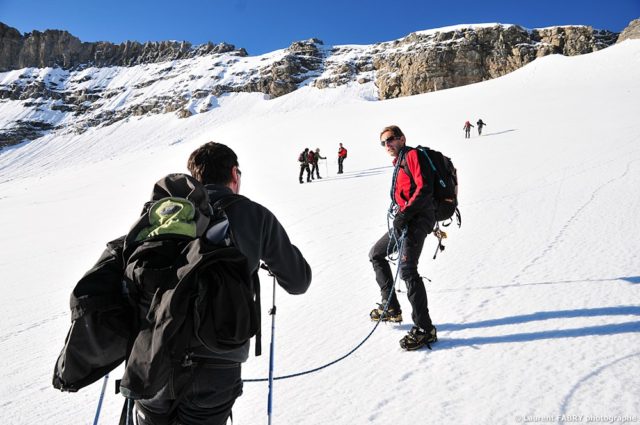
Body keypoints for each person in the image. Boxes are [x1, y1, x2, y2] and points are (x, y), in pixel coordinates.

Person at [136, 142, 312, 425]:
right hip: (217, 361)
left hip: (151, 356)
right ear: (234, 173)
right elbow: (298, 280)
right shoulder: (254, 215)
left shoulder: (166, 215)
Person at [369, 125, 437, 351]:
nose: (387, 145)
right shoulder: (398, 163)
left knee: (407, 270)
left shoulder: (413, 155)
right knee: (376, 254)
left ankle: (425, 329)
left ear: (402, 138)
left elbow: (425, 188)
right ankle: (391, 307)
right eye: (383, 142)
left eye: (390, 140)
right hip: (405, 221)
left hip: (417, 221)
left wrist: (405, 213)